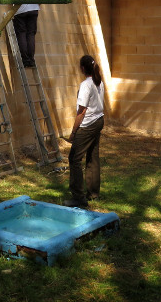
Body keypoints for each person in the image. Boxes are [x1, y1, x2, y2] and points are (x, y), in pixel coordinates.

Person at [65, 54, 105, 208]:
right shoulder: (98, 81)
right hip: (99, 121)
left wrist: (74, 132)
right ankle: (93, 192)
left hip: (88, 124)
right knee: (93, 156)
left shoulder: (86, 85)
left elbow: (81, 112)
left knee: (74, 158)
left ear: (82, 68)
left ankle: (78, 197)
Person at [10, 0, 48, 67]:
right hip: (32, 8)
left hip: (19, 9)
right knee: (30, 34)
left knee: (21, 34)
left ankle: (25, 60)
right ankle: (31, 59)